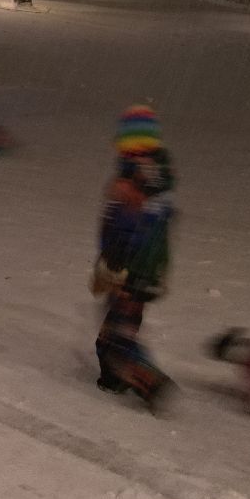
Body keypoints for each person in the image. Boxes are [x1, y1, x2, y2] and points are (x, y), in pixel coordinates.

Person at [92, 106, 175, 409]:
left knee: (117, 332)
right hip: (129, 270)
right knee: (115, 330)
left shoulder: (146, 183)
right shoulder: (136, 174)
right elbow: (117, 225)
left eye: (139, 151)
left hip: (134, 273)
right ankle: (114, 377)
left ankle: (147, 379)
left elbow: (139, 229)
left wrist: (126, 272)